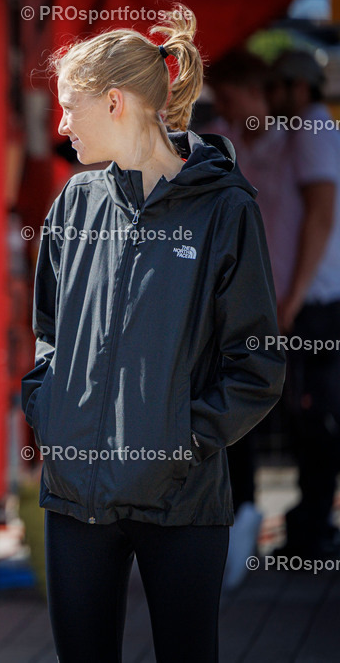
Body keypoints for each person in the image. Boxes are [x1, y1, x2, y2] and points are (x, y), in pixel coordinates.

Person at [22, 7, 285, 662]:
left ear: (114, 102)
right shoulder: (74, 202)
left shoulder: (226, 209)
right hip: (76, 498)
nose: (61, 126)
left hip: (182, 501)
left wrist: (182, 441)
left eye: (69, 109)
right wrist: (51, 413)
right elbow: (48, 333)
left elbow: (256, 365)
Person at [204, 49, 282, 589]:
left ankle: (254, 519)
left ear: (257, 92)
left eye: (230, 98)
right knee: (235, 410)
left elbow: (320, 217)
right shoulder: (222, 143)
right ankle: (238, 519)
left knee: (277, 409)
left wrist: (293, 297)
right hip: (238, 293)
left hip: (288, 296)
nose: (225, 109)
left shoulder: (296, 141)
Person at [268, 50, 340, 560]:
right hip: (310, 300)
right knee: (306, 415)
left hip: (316, 302)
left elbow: (320, 215)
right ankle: (311, 525)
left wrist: (292, 297)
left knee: (314, 416)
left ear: (299, 87)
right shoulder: (303, 131)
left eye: (277, 87)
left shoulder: (312, 128)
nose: (269, 98)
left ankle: (313, 531)